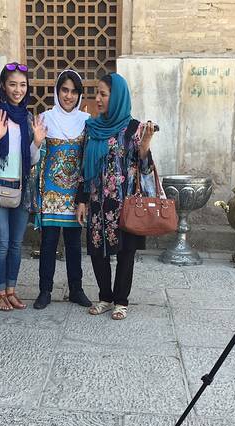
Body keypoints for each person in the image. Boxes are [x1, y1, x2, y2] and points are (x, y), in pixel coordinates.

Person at [75, 72, 157, 320]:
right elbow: (83, 166)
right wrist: (81, 200)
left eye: (104, 94)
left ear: (118, 96)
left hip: (125, 204)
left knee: (125, 253)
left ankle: (121, 301)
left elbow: (146, 170)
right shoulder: (91, 128)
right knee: (97, 250)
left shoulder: (135, 129)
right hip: (97, 203)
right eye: (96, 94)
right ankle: (105, 297)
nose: (98, 99)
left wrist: (145, 147)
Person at [0, 62, 46, 311]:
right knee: (2, 244)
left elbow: (31, 160)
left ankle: (12, 290)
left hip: (21, 189)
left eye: (22, 85)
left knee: (16, 245)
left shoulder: (27, 118)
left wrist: (37, 142)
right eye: (13, 84)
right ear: (4, 85)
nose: (18, 90)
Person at [32, 69, 92, 310]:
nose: (68, 96)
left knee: (74, 244)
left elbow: (87, 160)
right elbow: (36, 158)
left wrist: (84, 198)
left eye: (74, 91)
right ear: (57, 91)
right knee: (48, 243)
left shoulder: (86, 121)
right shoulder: (45, 118)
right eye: (64, 90)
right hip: (50, 194)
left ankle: (76, 289)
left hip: (74, 196)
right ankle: (44, 291)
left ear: (79, 94)